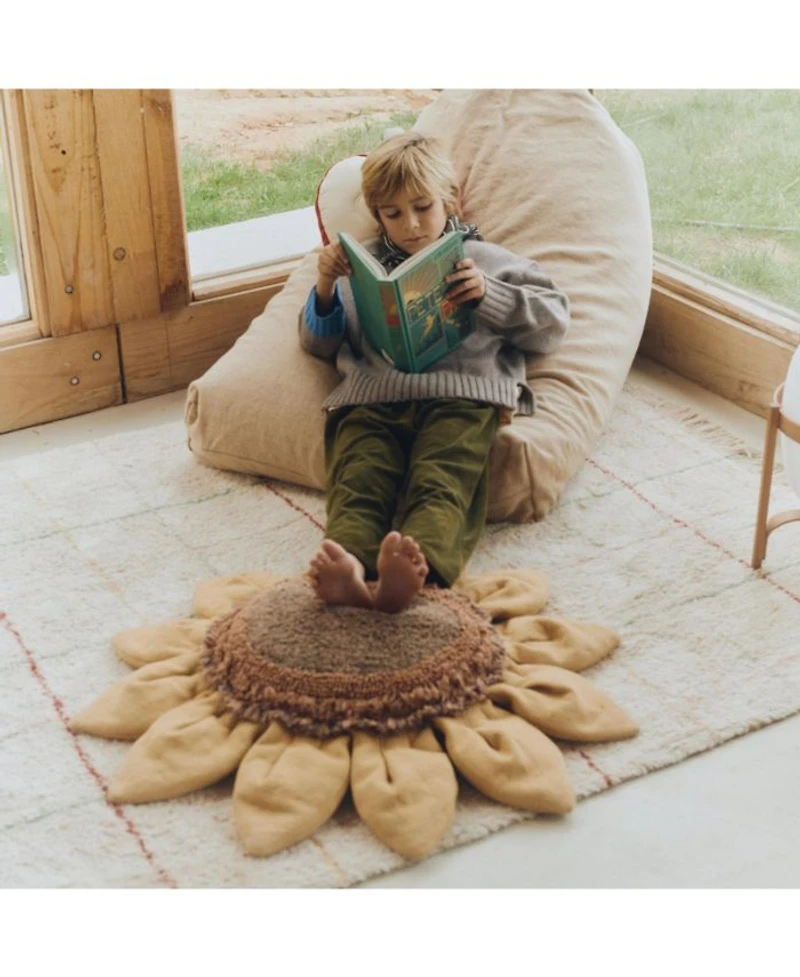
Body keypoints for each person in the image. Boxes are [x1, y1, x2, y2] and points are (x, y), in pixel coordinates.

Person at [299, 132, 570, 614]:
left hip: (461, 396)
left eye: (423, 207)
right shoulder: (360, 266)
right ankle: (350, 567)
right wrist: (324, 285)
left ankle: (418, 572)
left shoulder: (489, 261)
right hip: (371, 397)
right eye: (393, 213)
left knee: (443, 478)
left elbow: (552, 324)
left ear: (451, 201)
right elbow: (316, 345)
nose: (411, 225)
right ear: (378, 215)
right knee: (358, 476)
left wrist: (489, 295)